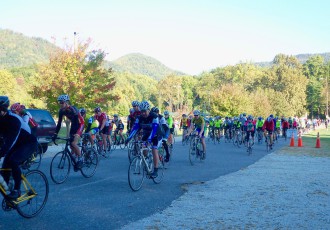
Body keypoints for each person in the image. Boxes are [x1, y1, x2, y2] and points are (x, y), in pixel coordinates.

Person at [0, 96, 38, 199]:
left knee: (13, 160)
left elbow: (12, 140)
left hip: (28, 143)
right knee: (4, 167)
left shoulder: (14, 119)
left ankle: (17, 190)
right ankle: (8, 194)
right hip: (16, 143)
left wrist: (1, 153)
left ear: (2, 110)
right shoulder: (1, 118)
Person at [126, 101, 160, 178]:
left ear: (148, 110)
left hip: (156, 134)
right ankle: (147, 161)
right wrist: (128, 138)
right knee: (143, 148)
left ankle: (156, 169)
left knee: (154, 149)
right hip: (147, 133)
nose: (143, 113)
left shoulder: (154, 117)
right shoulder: (139, 117)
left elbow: (154, 130)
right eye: (142, 111)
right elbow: (135, 129)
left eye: (144, 111)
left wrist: (149, 140)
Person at [52, 95, 84, 169]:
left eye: (62, 102)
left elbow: (76, 123)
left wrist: (74, 135)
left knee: (73, 143)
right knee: (70, 145)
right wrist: (55, 134)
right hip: (74, 124)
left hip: (80, 124)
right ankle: (76, 156)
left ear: (66, 102)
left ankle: (81, 158)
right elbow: (59, 124)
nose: (60, 104)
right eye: (59, 102)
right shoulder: (61, 111)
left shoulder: (73, 109)